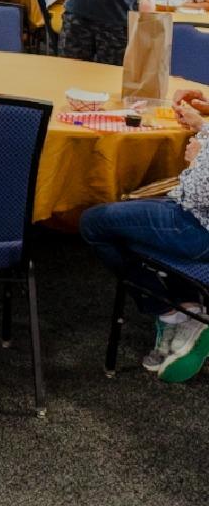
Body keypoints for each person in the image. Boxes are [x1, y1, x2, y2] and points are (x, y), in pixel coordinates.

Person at [80, 90, 209, 383]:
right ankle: (188, 307)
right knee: (124, 222)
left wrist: (198, 158)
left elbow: (200, 193)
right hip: (194, 217)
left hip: (196, 227)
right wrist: (202, 125)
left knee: (94, 224)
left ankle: (168, 310)